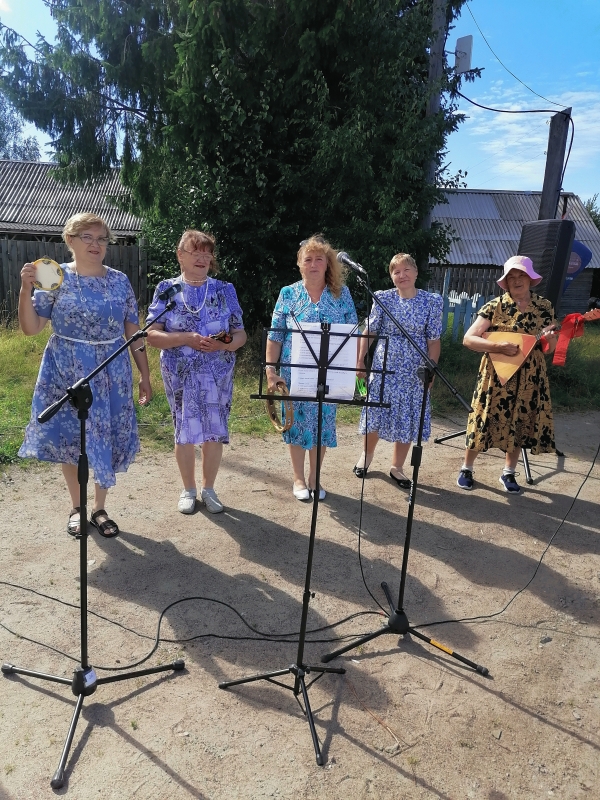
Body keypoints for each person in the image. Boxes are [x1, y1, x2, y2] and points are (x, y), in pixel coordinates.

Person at [18, 213, 151, 538]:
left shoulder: (119, 280)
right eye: (87, 237)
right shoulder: (54, 276)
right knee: (71, 439)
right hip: (65, 371)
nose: (96, 244)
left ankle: (99, 508)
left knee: (105, 436)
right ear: (70, 240)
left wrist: (145, 375)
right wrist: (24, 289)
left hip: (111, 371)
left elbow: (133, 331)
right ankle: (77, 508)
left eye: (102, 239)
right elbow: (31, 328)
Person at [146, 230, 246, 514]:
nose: (203, 258)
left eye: (207, 253)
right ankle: (188, 489)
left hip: (218, 372)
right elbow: (151, 335)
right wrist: (186, 339)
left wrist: (223, 345)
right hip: (180, 372)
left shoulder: (224, 289)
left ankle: (209, 489)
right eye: (196, 252)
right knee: (184, 428)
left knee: (214, 430)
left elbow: (240, 334)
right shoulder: (167, 288)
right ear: (180, 255)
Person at [266, 235, 358, 501]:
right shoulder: (288, 294)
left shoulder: (342, 294)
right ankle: (298, 478)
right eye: (308, 259)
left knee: (321, 425)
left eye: (320, 259)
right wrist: (271, 371)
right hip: (294, 373)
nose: (314, 264)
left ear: (328, 264)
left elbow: (353, 333)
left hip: (329, 373)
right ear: (299, 264)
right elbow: (275, 335)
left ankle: (315, 478)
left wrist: (354, 368)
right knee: (295, 424)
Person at [457, 255, 558, 494]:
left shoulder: (544, 307)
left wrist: (551, 339)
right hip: (496, 375)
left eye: (521, 275)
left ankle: (509, 473)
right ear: (506, 281)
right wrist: (497, 346)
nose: (516, 280)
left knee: (520, 421)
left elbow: (549, 349)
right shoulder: (495, 306)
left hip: (530, 377)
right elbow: (468, 339)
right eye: (511, 277)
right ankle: (467, 468)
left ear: (530, 279)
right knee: (482, 419)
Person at [353, 253, 443, 488]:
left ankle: (397, 467)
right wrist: (360, 361)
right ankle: (366, 457)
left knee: (408, 417)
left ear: (416, 272)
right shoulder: (383, 298)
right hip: (384, 369)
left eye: (406, 270)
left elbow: (434, 340)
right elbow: (369, 332)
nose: (402, 275)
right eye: (396, 271)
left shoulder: (431, 302)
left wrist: (431, 369)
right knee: (375, 413)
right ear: (391, 277)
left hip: (415, 372)